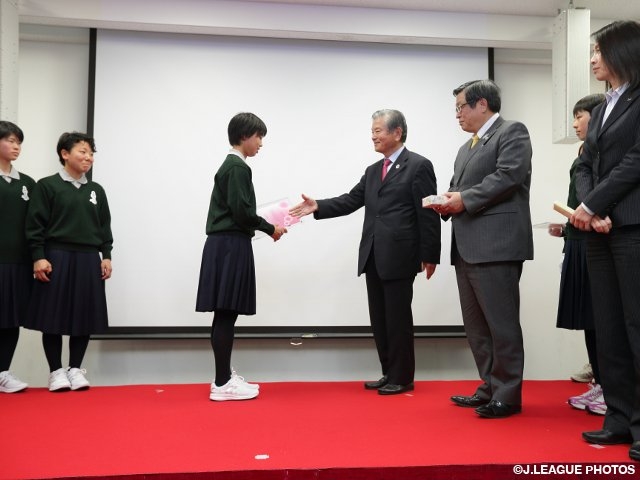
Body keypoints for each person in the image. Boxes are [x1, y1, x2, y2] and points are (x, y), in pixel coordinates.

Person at [289, 109, 441, 395]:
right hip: (373, 254)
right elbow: (351, 200)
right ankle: (389, 372)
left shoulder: (419, 165)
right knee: (380, 320)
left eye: (378, 131)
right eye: (372, 131)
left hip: (400, 255)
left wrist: (430, 254)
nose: (373, 136)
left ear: (397, 132)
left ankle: (402, 377)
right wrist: (318, 206)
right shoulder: (373, 171)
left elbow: (428, 211)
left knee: (398, 319)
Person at [426, 80, 533, 418]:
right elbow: (458, 188)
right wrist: (445, 201)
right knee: (477, 327)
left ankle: (508, 395)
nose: (457, 114)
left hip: (496, 244)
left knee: (502, 325)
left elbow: (509, 176)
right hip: (466, 245)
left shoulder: (512, 132)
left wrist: (463, 199)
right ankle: (489, 387)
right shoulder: (465, 148)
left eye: (461, 107)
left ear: (482, 104)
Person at [569, 20, 640, 462]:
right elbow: (584, 162)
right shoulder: (605, 104)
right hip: (598, 229)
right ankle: (618, 418)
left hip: (631, 227)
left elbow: (636, 161)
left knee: (636, 327)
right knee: (609, 328)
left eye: (598, 50)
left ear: (623, 51)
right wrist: (589, 208)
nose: (593, 59)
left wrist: (594, 204)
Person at [196, 112, 287, 402]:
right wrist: (270, 228)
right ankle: (222, 383)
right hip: (230, 246)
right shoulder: (237, 167)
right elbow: (242, 213)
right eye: (259, 137)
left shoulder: (233, 166)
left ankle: (223, 377)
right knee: (226, 314)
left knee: (225, 314)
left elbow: (240, 211)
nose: (261, 143)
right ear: (245, 135)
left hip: (225, 244)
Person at [24, 132, 113, 392]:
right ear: (65, 154)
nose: (88, 157)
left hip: (88, 258)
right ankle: (56, 372)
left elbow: (104, 226)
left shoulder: (96, 190)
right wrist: (38, 256)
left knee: (83, 315)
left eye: (91, 153)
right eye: (83, 152)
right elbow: (35, 225)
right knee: (52, 315)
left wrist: (106, 254)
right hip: (56, 256)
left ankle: (75, 369)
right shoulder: (47, 186)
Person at [548, 93, 606, 415]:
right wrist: (567, 226)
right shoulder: (584, 152)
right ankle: (600, 382)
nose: (574, 124)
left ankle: (613, 388)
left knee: (602, 319)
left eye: (579, 116)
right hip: (578, 241)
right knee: (588, 319)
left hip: (595, 245)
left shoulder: (604, 151)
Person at [0, 121, 35, 393]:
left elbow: (35, 225)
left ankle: (3, 373)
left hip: (18, 263)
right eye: (10, 140)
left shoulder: (27, 183)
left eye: (19, 142)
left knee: (11, 320)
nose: (16, 147)